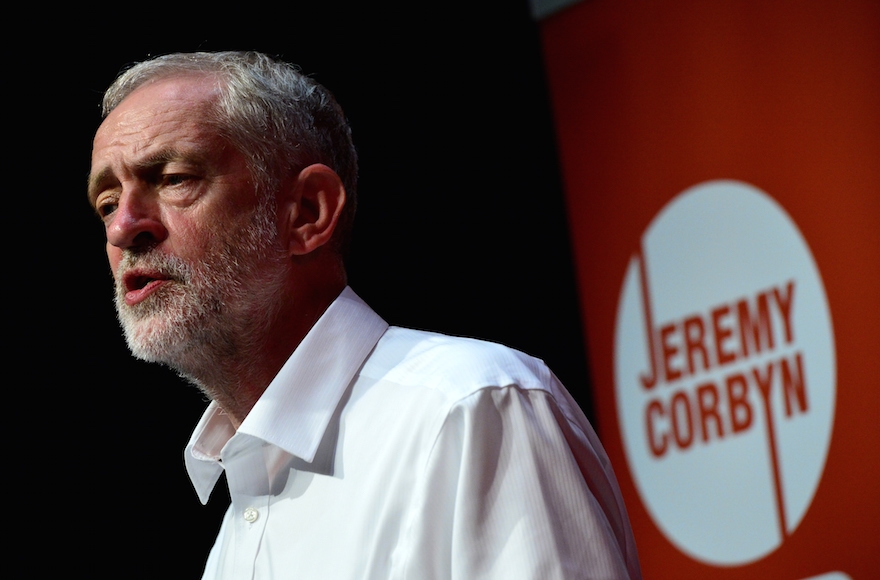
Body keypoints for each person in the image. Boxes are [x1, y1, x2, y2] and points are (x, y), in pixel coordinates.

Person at [88, 51, 642, 579]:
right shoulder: (237, 523)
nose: (123, 228)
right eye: (107, 203)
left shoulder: (470, 408)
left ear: (307, 213)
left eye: (174, 179)